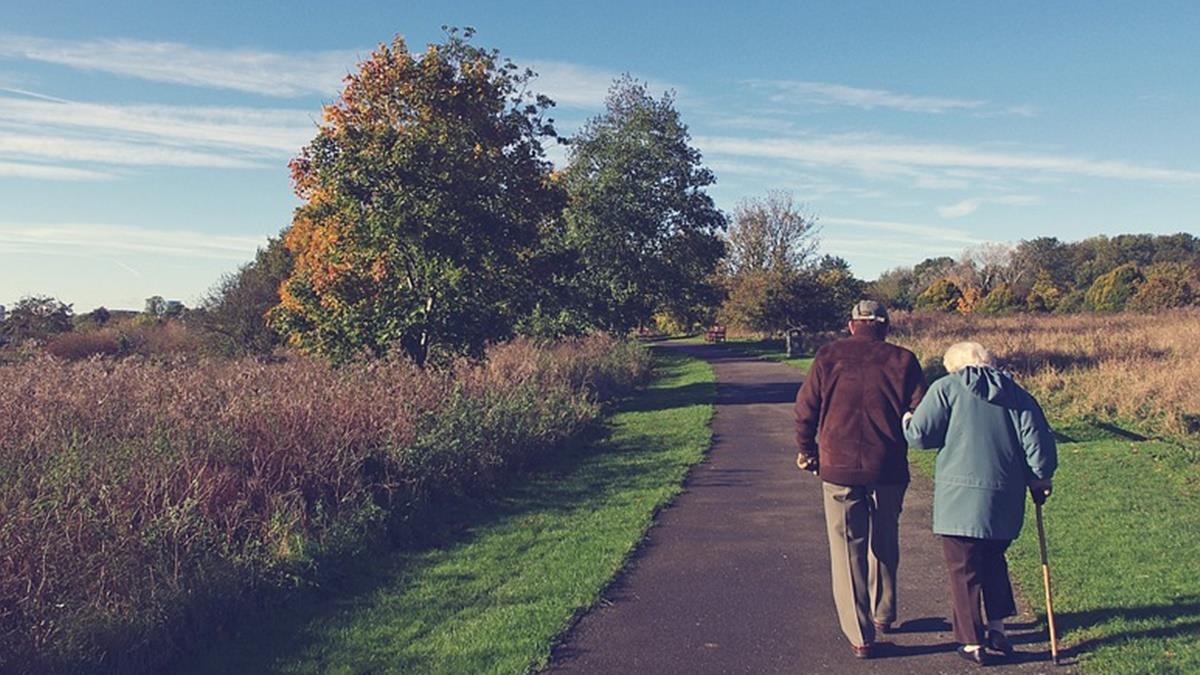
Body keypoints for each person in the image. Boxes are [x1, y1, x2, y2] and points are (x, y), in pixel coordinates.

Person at [903, 341, 1057, 666]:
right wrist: (1041, 478)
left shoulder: (946, 388)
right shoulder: (1018, 394)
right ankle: (998, 628)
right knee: (994, 559)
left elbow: (919, 436)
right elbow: (1038, 446)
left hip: (959, 499)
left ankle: (972, 641)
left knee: (964, 569)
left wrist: (906, 420)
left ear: (954, 366)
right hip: (1005, 497)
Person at [794, 300, 927, 659]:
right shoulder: (904, 359)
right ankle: (884, 612)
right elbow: (920, 412)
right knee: (885, 538)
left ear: (851, 325)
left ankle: (861, 634)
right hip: (888, 466)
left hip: (838, 466)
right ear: (885, 326)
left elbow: (805, 409)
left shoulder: (828, 356)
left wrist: (807, 450)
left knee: (847, 548)